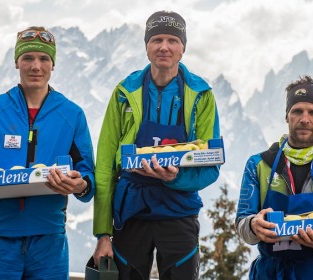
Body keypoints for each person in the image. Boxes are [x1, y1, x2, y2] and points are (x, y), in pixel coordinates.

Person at [0, 26, 95, 279]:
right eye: (28, 58)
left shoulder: (72, 114)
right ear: (17, 62)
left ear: (53, 64)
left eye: (44, 58)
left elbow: (89, 176)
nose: (36, 66)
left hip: (50, 242)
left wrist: (80, 185)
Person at [92, 11, 221, 280]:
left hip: (179, 212)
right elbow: (104, 167)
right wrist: (103, 233)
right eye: (157, 39)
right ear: (147, 46)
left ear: (183, 48)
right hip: (131, 214)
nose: (164, 47)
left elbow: (211, 165)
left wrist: (176, 178)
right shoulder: (124, 93)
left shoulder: (201, 95)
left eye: (173, 40)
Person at [235, 75, 313, 279]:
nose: (305, 119)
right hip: (271, 272)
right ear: (287, 116)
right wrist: (253, 225)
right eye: (297, 111)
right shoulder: (258, 164)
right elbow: (242, 222)